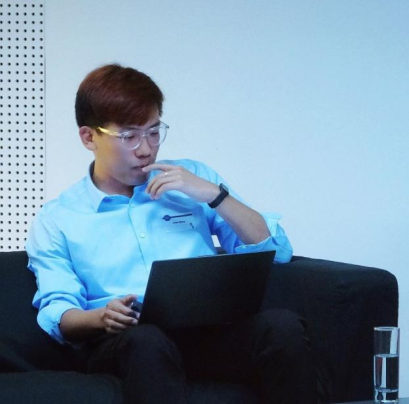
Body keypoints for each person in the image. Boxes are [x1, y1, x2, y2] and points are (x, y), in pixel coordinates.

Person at [26, 63, 318, 404]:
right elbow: (58, 313)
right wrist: (101, 317)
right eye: (129, 136)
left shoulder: (191, 178)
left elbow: (277, 252)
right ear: (89, 137)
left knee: (281, 326)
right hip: (125, 342)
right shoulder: (58, 217)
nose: (146, 149)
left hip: (208, 332)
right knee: (147, 340)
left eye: (153, 132)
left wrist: (214, 195)